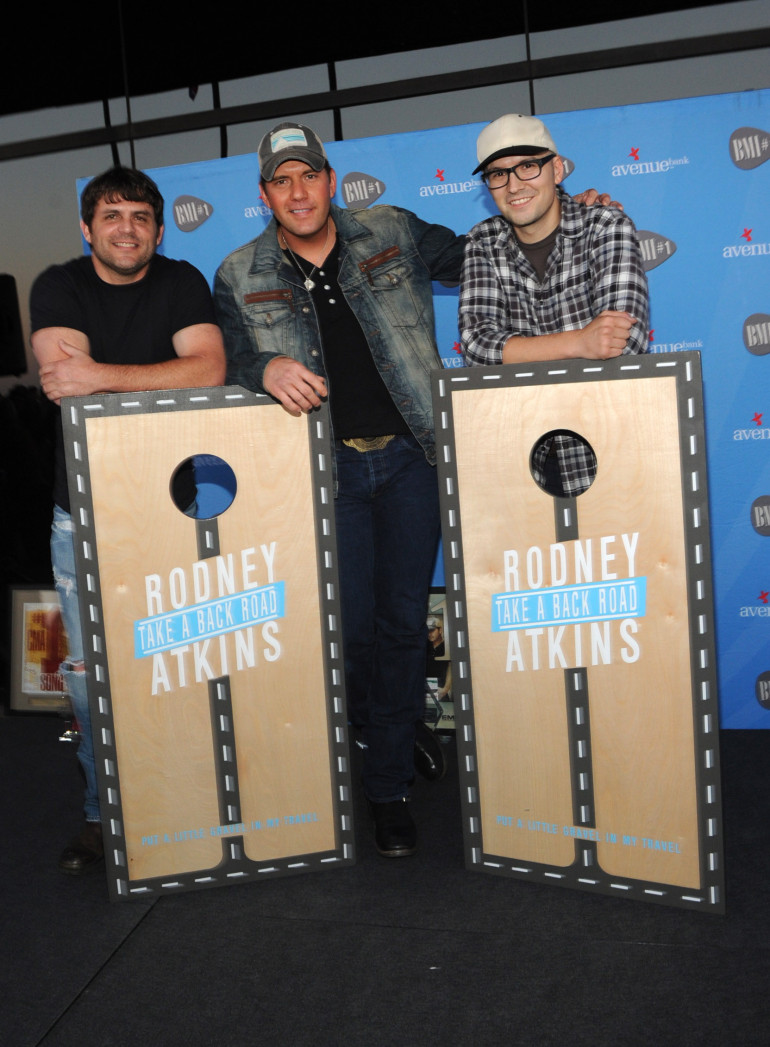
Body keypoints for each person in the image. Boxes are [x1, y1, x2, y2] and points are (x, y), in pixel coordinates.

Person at [214, 122, 619, 858]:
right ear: (265, 194)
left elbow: (491, 253)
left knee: (403, 624)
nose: (298, 192)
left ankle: (388, 786)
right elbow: (229, 357)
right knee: (350, 631)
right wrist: (261, 369)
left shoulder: (392, 229)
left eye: (309, 175)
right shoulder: (239, 272)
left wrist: (569, 211)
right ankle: (382, 733)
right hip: (323, 470)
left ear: (331, 181)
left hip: (411, 459)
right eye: (281, 180)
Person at [30, 166, 226, 874]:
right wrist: (152, 375)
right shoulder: (58, 285)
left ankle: (189, 802)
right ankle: (102, 812)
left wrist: (99, 374)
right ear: (87, 229)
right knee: (90, 673)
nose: (126, 229)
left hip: (176, 504)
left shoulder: (182, 281)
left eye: (140, 217)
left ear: (159, 230)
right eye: (111, 216)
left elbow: (208, 371)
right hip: (83, 510)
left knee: (181, 656)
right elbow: (64, 385)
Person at [459, 113, 649, 495]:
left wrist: (518, 353)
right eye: (498, 174)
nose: (514, 185)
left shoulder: (606, 226)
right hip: (522, 460)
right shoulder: (482, 241)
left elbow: (623, 344)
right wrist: (579, 342)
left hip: (612, 445)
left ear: (557, 170)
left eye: (528, 166)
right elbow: (477, 348)